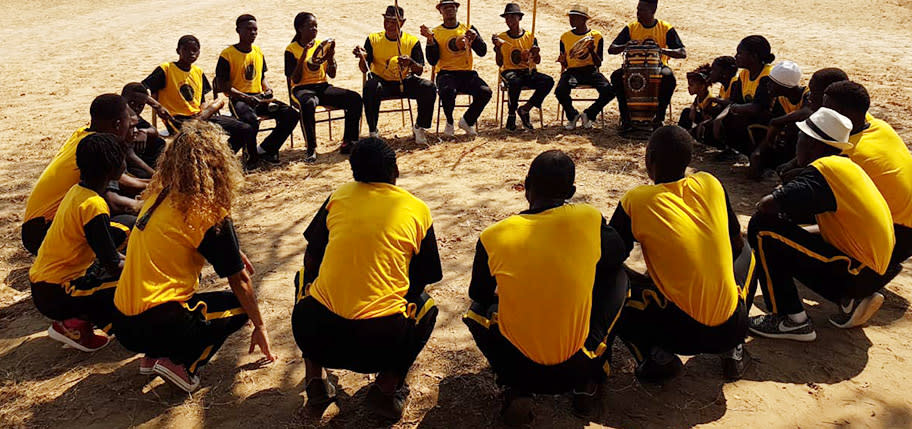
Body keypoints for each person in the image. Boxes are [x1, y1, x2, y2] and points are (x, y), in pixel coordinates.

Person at [464, 150, 627, 425]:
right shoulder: (588, 218)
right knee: (619, 276)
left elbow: (479, 295)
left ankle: (513, 386)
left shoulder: (493, 236)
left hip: (519, 367)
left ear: (526, 185)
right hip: (577, 366)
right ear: (572, 191)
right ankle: (588, 382)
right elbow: (618, 253)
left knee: (477, 311)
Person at [113, 121, 274, 392]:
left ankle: (154, 355)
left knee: (181, 302)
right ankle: (183, 364)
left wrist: (234, 251)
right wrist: (260, 325)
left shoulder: (158, 195)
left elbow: (181, 240)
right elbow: (239, 279)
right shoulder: (206, 213)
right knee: (239, 307)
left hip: (122, 322)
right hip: (157, 321)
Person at [291, 138, 441, 421]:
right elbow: (427, 276)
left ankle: (315, 380)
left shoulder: (338, 197)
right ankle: (385, 388)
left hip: (319, 334)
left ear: (353, 172)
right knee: (425, 306)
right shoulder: (416, 208)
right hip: (379, 345)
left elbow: (310, 260)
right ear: (394, 170)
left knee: (303, 281)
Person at [610, 126, 755, 384]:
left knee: (612, 283)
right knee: (749, 254)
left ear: (649, 159)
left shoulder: (637, 200)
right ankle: (734, 350)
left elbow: (609, 259)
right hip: (732, 325)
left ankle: (656, 358)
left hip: (681, 333)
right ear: (688, 161)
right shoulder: (711, 183)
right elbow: (736, 243)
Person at [747, 108, 895, 340]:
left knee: (763, 228)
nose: (796, 144)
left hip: (856, 273)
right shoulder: (848, 166)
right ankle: (849, 300)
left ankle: (790, 319)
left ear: (814, 144)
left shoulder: (825, 170)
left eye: (801, 138)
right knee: (790, 231)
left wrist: (785, 187)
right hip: (873, 272)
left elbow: (767, 206)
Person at [29, 134, 134, 353]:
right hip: (58, 292)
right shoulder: (93, 206)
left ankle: (77, 320)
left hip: (45, 285)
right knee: (133, 283)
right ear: (113, 169)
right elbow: (112, 264)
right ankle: (74, 323)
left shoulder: (77, 192)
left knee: (124, 234)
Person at [822, 80, 912, 272]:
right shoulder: (879, 126)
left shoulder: (847, 154)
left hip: (894, 239)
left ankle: (853, 278)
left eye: (827, 109)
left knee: (816, 206)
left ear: (848, 115)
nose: (821, 113)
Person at [22, 94, 141, 255]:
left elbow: (127, 182)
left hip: (35, 229)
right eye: (129, 121)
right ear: (118, 124)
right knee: (136, 225)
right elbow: (117, 199)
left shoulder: (83, 135)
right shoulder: (99, 150)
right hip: (43, 233)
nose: (132, 125)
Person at [141, 35, 254, 164]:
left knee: (245, 128)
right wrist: (158, 107)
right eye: (187, 49)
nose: (191, 53)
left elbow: (201, 100)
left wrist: (207, 111)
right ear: (178, 50)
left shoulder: (198, 72)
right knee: (197, 137)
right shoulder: (166, 69)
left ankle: (222, 161)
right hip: (177, 119)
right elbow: (141, 90)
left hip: (200, 116)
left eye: (195, 50)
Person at [216, 14, 300, 165]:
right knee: (250, 121)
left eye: (255, 29)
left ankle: (267, 149)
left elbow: (261, 77)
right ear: (238, 30)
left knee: (291, 114)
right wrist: (246, 98)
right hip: (239, 101)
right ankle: (251, 157)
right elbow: (224, 87)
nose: (253, 33)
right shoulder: (227, 55)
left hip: (259, 98)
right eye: (249, 29)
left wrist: (267, 89)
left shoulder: (258, 52)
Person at [285, 12, 363, 161]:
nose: (314, 29)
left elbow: (332, 74)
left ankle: (349, 141)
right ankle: (311, 148)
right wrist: (303, 56)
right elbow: (294, 78)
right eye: (310, 26)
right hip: (301, 88)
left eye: (316, 26)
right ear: (300, 29)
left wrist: (330, 57)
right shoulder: (291, 49)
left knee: (354, 98)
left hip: (322, 86)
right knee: (308, 103)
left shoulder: (322, 45)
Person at [354, 5, 437, 145]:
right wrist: (363, 58)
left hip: (405, 81)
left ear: (402, 22)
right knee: (370, 86)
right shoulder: (373, 39)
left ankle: (419, 127)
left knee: (429, 87)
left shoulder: (412, 41)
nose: (390, 25)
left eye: (394, 22)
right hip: (382, 82)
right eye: (387, 21)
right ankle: (373, 131)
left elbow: (419, 70)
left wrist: (410, 62)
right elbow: (364, 69)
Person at [608, 0, 687, 131]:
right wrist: (626, 45)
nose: (637, 12)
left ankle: (658, 118)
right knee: (616, 77)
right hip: (633, 66)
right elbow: (611, 49)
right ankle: (626, 120)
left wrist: (661, 50)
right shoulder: (631, 27)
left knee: (669, 78)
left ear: (653, 10)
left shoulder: (665, 27)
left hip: (657, 66)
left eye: (642, 10)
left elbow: (682, 53)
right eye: (637, 9)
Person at [421, 0, 491, 137]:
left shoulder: (468, 28)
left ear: (457, 9)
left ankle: (467, 120)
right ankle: (450, 121)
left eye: (452, 7)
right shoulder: (435, 32)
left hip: (467, 73)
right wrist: (430, 41)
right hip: (446, 73)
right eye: (445, 7)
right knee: (448, 91)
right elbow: (432, 60)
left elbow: (483, 51)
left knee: (485, 92)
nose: (449, 10)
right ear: (440, 11)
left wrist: (475, 38)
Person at [773, 67, 849, 180]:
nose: (809, 97)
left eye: (814, 92)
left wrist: (801, 172)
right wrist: (792, 164)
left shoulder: (847, 135)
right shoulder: (839, 120)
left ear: (829, 98)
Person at [491, 2, 554, 131]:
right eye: (507, 18)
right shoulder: (501, 38)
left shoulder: (529, 37)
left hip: (527, 71)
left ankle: (526, 108)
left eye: (513, 17)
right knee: (515, 81)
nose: (510, 21)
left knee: (548, 81)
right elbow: (499, 63)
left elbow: (537, 61)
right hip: (509, 71)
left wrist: (535, 53)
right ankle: (511, 114)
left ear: (519, 18)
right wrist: (497, 48)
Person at [713, 35, 777, 155]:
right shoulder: (744, 74)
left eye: (740, 53)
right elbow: (735, 101)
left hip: (768, 122)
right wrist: (719, 118)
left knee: (734, 119)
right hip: (750, 116)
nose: (736, 57)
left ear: (753, 56)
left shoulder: (767, 76)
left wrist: (733, 109)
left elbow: (758, 107)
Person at [555, 4, 614, 130]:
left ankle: (589, 114)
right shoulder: (565, 37)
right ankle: (572, 115)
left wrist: (591, 51)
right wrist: (562, 62)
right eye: (570, 18)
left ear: (584, 20)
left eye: (574, 18)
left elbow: (598, 63)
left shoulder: (596, 36)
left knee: (609, 91)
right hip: (572, 71)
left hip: (591, 71)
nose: (571, 21)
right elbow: (565, 64)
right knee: (560, 91)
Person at [748, 61, 807, 179]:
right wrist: (759, 151)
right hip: (791, 144)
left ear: (784, 86)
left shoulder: (808, 95)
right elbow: (775, 125)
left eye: (772, 83)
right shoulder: (781, 99)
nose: (768, 86)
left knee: (792, 128)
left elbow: (806, 113)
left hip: (805, 145)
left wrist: (777, 121)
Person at [121, 82, 167, 178]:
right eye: (132, 103)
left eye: (141, 106)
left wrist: (144, 132)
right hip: (129, 166)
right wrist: (156, 177)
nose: (136, 108)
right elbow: (129, 155)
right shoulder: (120, 120)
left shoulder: (135, 118)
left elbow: (154, 131)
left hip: (146, 160)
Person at [677, 64, 715, 134]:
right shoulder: (698, 97)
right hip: (701, 120)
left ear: (702, 87)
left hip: (708, 125)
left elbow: (708, 120)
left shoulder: (709, 100)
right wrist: (693, 108)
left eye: (691, 85)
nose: (688, 87)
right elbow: (693, 108)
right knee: (686, 112)